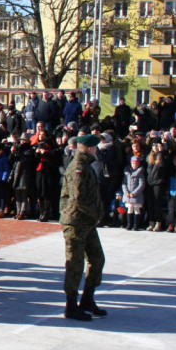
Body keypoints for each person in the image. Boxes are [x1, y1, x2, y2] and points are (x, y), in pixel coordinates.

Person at [59, 134, 107, 321]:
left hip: (85, 221)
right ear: (87, 148)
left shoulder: (86, 165)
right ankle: (71, 305)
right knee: (75, 264)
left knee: (97, 259)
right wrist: (97, 213)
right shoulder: (78, 167)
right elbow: (78, 198)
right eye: (95, 147)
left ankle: (87, 299)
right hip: (76, 221)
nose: (97, 149)